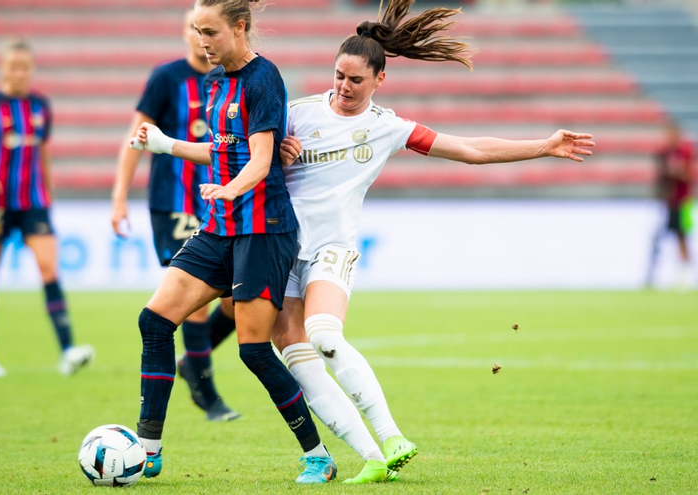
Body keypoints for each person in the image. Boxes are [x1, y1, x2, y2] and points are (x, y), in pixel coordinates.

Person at [135, 0, 594, 484]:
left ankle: (392, 436)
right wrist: (272, 155)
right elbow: (250, 151)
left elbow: (471, 149)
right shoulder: (299, 114)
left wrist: (543, 146)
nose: (343, 87)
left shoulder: (389, 127)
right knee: (295, 357)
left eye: (355, 80)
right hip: (284, 246)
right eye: (338, 76)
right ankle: (368, 457)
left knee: (325, 336)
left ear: (379, 81)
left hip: (329, 246)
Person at [129, 0, 337, 484]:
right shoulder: (214, 80)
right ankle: (147, 450)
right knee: (154, 321)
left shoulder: (264, 79)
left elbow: (262, 159)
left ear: (239, 28)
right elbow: (224, 148)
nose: (202, 41)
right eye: (197, 31)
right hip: (221, 225)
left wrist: (231, 188)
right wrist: (165, 144)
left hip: (264, 229)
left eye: (210, 31)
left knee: (254, 350)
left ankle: (318, 456)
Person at [111, 7, 240, 422]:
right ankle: (208, 395)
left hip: (223, 202)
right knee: (195, 302)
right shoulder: (167, 79)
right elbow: (136, 139)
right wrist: (119, 198)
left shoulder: (229, 78)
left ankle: (191, 364)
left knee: (239, 302)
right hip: (174, 203)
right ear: (185, 33)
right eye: (193, 28)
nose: (199, 36)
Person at [0, 37, 94, 378]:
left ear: (32, 70)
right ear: (3, 68)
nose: (19, 73)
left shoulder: (41, 105)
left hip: (34, 203)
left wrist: (49, 193)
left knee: (49, 270)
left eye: (25, 67)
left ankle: (68, 350)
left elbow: (42, 153)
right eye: (13, 67)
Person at [645, 120, 695, 289]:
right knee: (663, 236)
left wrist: (677, 172)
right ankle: (656, 274)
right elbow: (661, 176)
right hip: (669, 202)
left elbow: (688, 175)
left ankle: (686, 274)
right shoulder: (665, 153)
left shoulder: (684, 151)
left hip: (683, 202)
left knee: (682, 236)